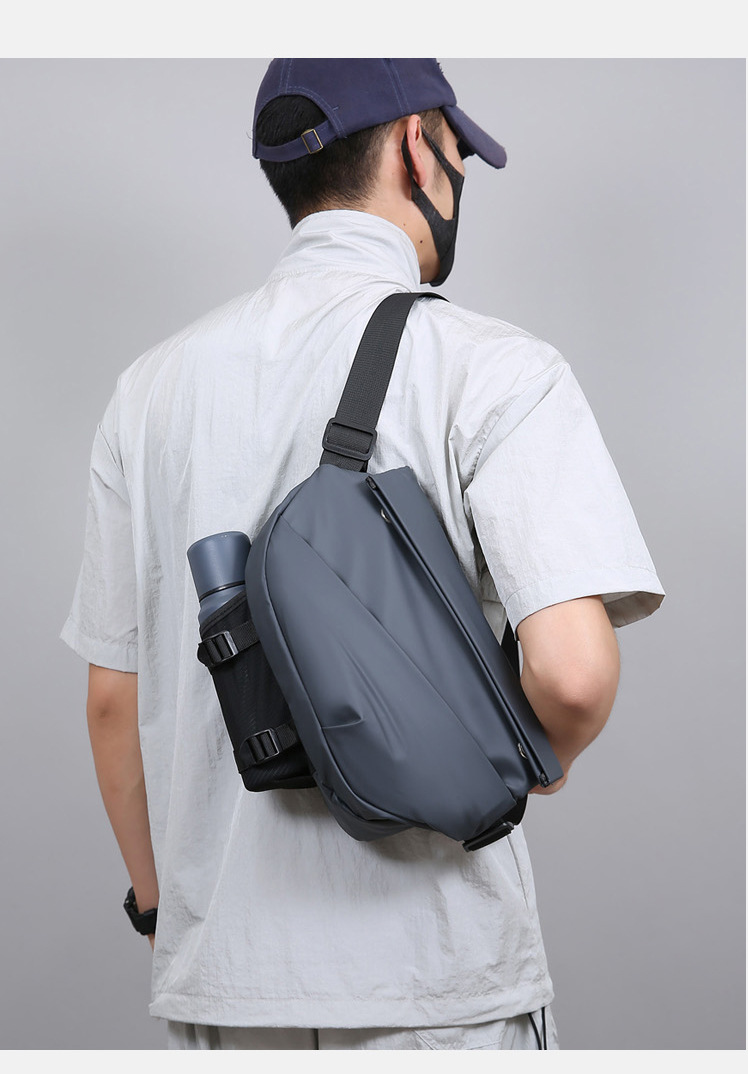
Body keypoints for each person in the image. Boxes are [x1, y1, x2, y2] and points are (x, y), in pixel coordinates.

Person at [60, 58, 665, 1051]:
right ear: (417, 147)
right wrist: (530, 758)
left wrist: (162, 914)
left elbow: (111, 703)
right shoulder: (497, 369)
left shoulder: (149, 391)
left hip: (223, 997)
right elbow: (573, 675)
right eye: (457, 152)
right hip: (436, 987)